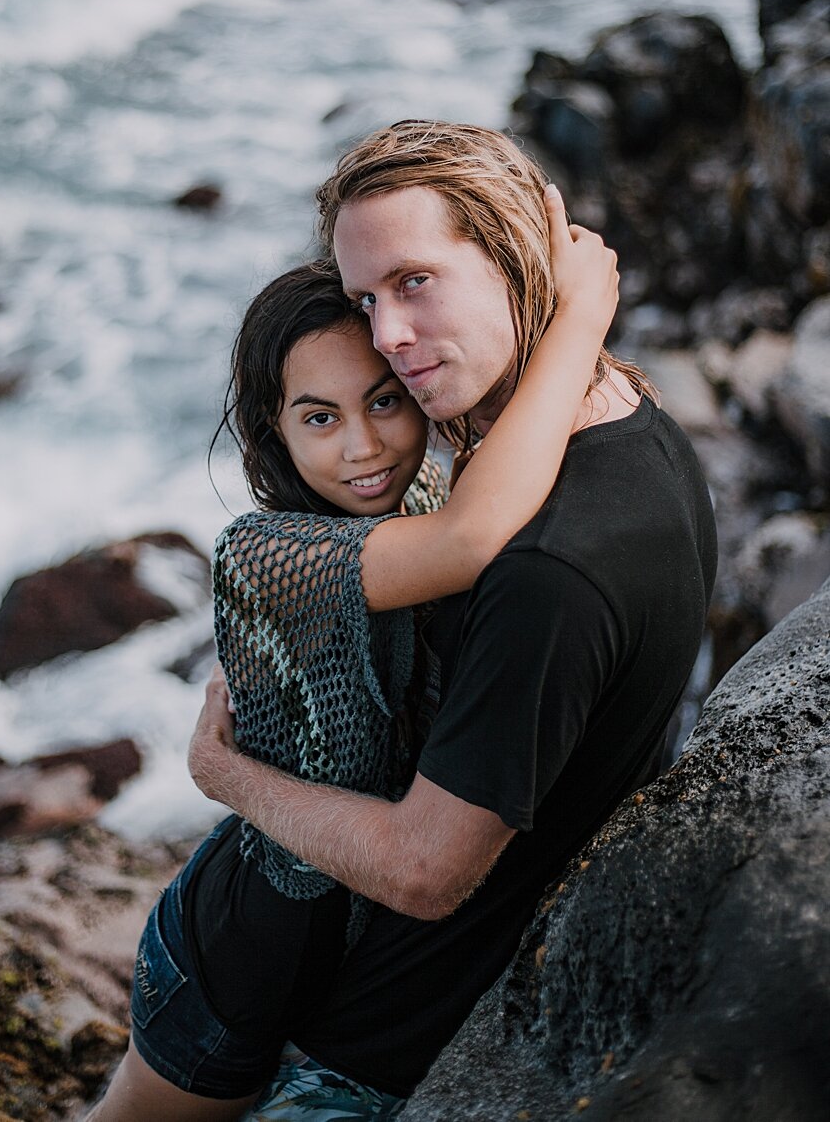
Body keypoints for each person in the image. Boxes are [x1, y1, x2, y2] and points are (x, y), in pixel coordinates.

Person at [189, 120, 718, 1112]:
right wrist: (576, 324)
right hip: (242, 958)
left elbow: (428, 870)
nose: (384, 337)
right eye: (363, 299)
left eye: (415, 281)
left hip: (364, 1061)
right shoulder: (640, 430)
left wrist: (219, 774)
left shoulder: (544, 565)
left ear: (518, 256)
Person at [88, 182, 619, 1121]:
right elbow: (471, 540)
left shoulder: (418, 503)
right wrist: (578, 315)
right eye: (319, 418)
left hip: (336, 970)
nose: (365, 447)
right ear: (275, 434)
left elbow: (490, 484)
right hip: (232, 959)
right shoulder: (268, 556)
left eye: (383, 401)